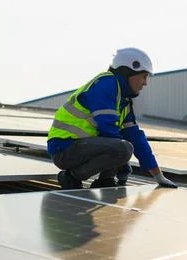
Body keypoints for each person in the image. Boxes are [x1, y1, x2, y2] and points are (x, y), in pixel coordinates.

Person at [47, 47, 177, 189]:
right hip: (64, 148)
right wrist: (123, 162)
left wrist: (158, 176)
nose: (145, 83)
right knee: (122, 147)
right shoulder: (106, 84)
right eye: (144, 76)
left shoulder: (123, 101)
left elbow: (136, 138)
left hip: (80, 147)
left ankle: (105, 181)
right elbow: (107, 128)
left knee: (124, 145)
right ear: (129, 72)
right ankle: (71, 177)